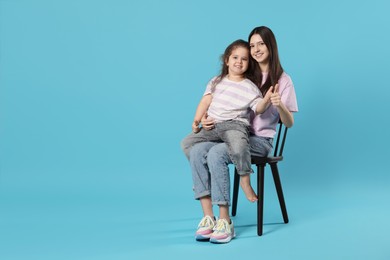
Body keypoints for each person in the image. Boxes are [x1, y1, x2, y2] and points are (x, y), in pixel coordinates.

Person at [185, 26, 298, 244]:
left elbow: (289, 123)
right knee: (198, 149)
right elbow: (223, 100)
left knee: (217, 153)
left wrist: (279, 105)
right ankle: (208, 217)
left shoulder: (283, 80)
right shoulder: (246, 73)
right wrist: (207, 117)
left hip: (259, 141)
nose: (256, 49)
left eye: (261, 44)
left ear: (271, 46)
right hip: (228, 134)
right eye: (252, 45)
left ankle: (225, 221)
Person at [181, 39, 274, 206]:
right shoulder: (217, 81)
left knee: (239, 146)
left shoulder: (250, 87)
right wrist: (197, 120)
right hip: (213, 125)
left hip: (235, 125)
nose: (239, 62)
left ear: (248, 63)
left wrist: (266, 100)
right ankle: (206, 178)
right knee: (187, 143)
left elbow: (258, 109)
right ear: (227, 60)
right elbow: (205, 101)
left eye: (244, 59)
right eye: (235, 57)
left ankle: (245, 180)